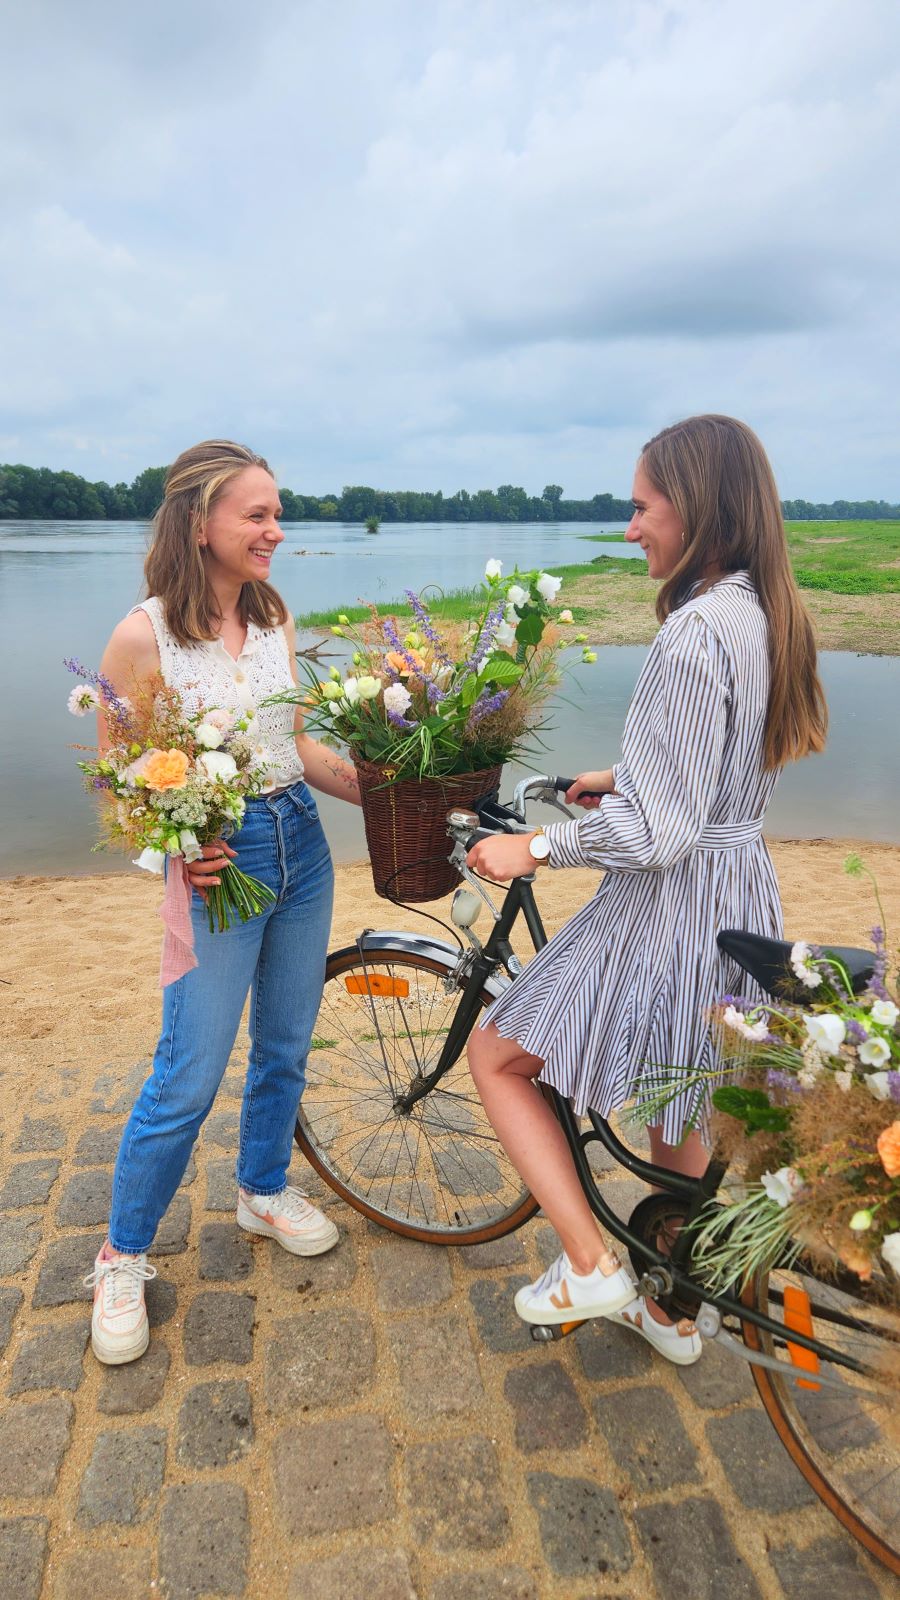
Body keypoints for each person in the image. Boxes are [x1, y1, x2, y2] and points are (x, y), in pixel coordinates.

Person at [466, 414, 827, 1364]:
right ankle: (670, 1308)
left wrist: (535, 848)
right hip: (737, 884)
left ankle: (590, 1263)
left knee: (498, 1058)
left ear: (696, 507)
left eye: (640, 507)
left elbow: (658, 838)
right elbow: (717, 775)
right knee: (684, 1095)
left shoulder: (693, 634)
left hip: (672, 901)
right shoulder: (764, 613)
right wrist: (626, 772)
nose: (630, 530)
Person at [86, 440, 360, 1365]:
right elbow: (114, 784)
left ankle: (262, 1188)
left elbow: (304, 753)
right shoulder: (143, 636)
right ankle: (122, 1255)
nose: (275, 530)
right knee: (189, 1073)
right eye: (257, 515)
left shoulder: (274, 619)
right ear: (199, 522)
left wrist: (396, 786)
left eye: (277, 513)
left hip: (302, 851)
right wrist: (177, 841)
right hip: (219, 862)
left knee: (285, 1043)